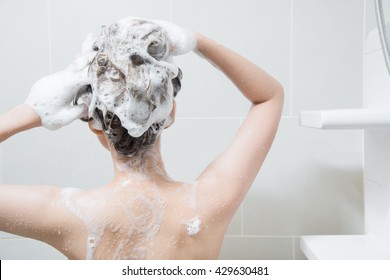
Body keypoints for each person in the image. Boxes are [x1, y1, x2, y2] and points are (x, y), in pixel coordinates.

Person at [0, 18, 284, 260]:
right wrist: (196, 41)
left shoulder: (68, 216)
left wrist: (30, 111)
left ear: (94, 125)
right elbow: (270, 97)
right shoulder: (211, 201)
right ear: (170, 112)